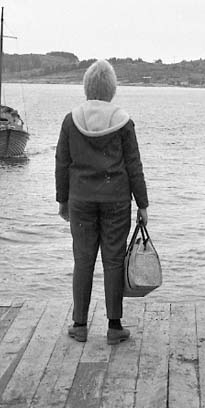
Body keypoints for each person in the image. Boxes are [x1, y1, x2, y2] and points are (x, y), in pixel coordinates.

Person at [55, 59, 149, 345]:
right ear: (112, 89)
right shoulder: (123, 122)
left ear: (86, 88)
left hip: (81, 199)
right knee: (113, 260)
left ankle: (80, 325)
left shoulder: (71, 120)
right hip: (116, 199)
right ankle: (114, 326)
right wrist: (142, 204)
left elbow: (62, 163)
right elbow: (133, 165)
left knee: (83, 260)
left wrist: (62, 200)